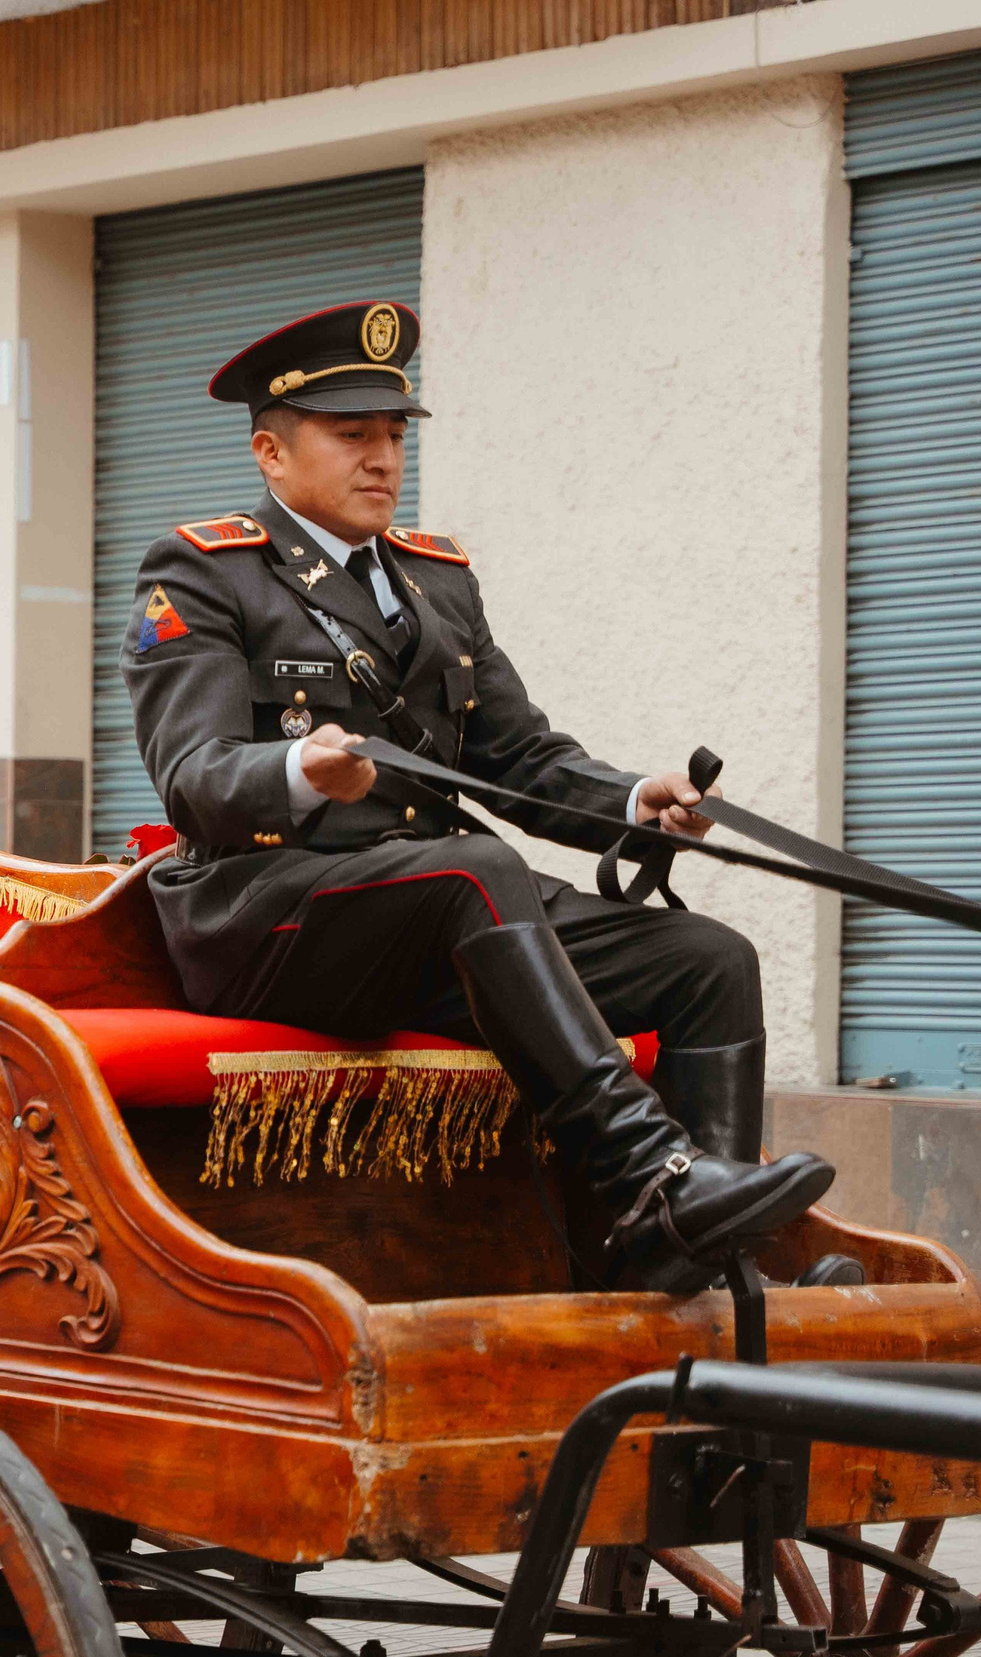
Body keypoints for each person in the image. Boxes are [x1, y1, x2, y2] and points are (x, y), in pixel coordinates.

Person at [122, 300, 833, 1295]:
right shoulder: (205, 573)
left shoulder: (436, 581)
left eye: (392, 435)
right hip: (271, 916)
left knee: (707, 959)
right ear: (271, 454)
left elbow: (518, 757)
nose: (381, 458)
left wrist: (634, 797)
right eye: (350, 435)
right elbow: (193, 778)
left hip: (441, 911)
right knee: (473, 868)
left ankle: (700, 1244)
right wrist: (297, 772)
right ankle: (653, 1176)